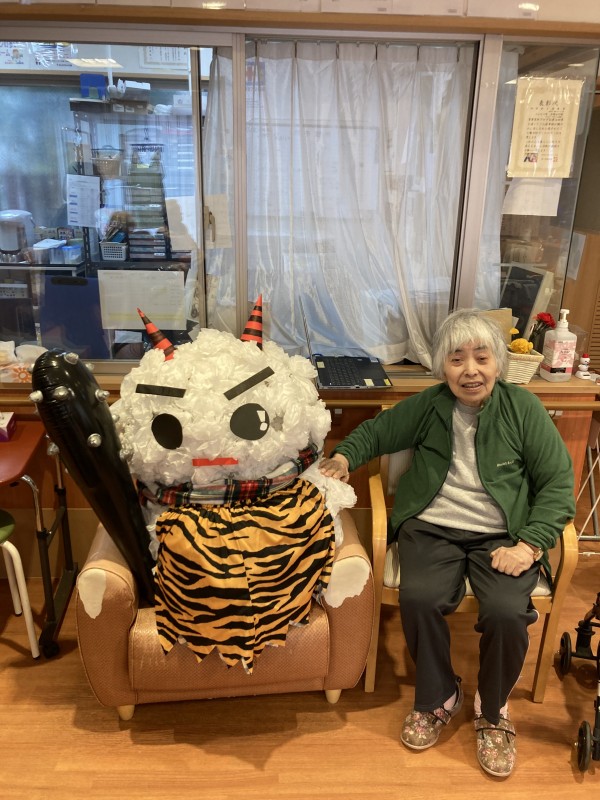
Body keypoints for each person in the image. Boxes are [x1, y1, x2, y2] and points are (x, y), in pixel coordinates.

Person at [319, 309, 575, 778]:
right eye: (457, 359)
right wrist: (343, 457)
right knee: (419, 598)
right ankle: (439, 696)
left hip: (503, 535)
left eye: (481, 357)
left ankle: (493, 710)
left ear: (497, 363)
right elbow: (377, 432)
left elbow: (557, 485)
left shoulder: (524, 409)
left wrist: (530, 545)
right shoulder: (429, 405)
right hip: (432, 527)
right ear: (442, 366)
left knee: (506, 611)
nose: (470, 370)